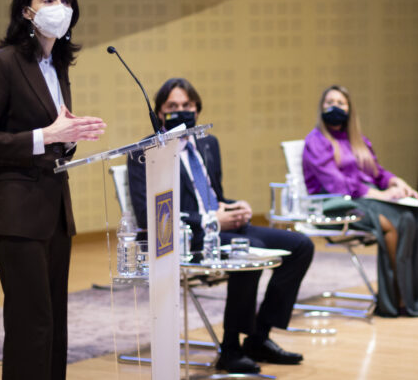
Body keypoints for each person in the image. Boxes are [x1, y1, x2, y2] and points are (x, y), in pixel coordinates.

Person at [0, 0, 106, 380]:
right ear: (27, 10)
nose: (59, 7)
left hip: (55, 210)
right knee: (32, 324)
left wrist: (70, 137)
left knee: (54, 325)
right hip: (17, 213)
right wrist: (47, 136)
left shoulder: (56, 66)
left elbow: (54, 134)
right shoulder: (3, 64)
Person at [127, 78, 314, 374]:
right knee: (250, 250)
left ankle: (259, 336)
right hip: (186, 238)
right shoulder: (147, 153)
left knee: (302, 245)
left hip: (221, 228)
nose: (181, 111)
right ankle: (230, 348)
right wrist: (211, 219)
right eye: (172, 106)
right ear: (159, 113)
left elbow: (215, 195)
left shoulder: (207, 142)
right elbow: (149, 217)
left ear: (197, 110)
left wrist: (234, 207)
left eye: (187, 106)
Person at [302, 85, 418, 317]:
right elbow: (338, 184)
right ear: (321, 108)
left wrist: (396, 183)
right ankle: (396, 297)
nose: (334, 107)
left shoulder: (358, 140)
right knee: (397, 220)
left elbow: (377, 173)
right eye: (329, 103)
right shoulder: (316, 142)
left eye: (340, 103)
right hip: (336, 204)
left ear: (349, 108)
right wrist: (379, 195)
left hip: (368, 198)